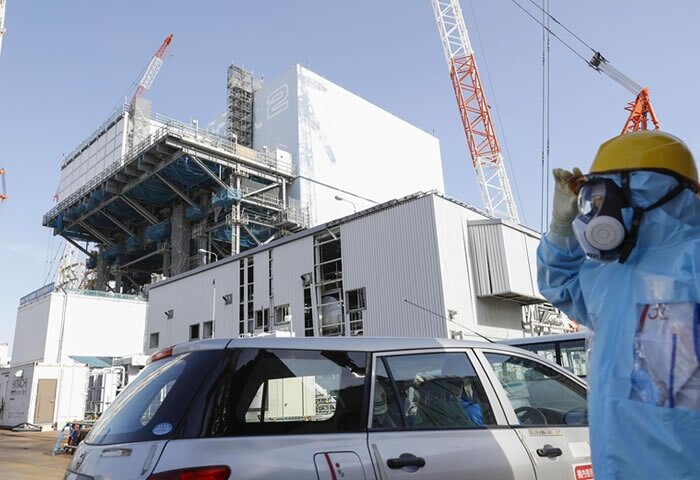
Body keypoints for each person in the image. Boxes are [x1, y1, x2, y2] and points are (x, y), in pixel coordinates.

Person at [538, 130, 700, 479]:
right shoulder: (607, 273)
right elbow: (561, 285)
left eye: (598, 197)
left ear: (639, 190)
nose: (594, 212)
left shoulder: (694, 259)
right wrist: (561, 230)